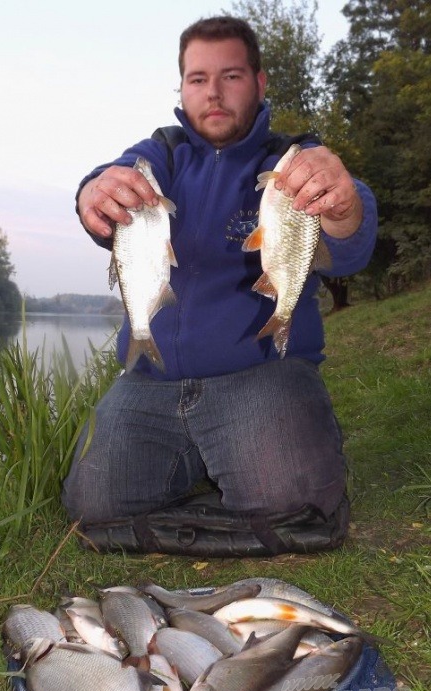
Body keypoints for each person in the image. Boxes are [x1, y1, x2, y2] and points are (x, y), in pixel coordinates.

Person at [62, 15, 378, 557]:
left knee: (292, 498)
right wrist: (94, 190)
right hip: (150, 379)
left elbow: (350, 241)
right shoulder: (161, 151)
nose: (212, 92)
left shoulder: (292, 160)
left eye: (230, 76)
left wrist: (345, 205)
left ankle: (257, 447)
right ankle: (206, 458)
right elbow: (115, 174)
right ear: (182, 88)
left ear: (259, 83)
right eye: (197, 78)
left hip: (261, 372)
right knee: (92, 503)